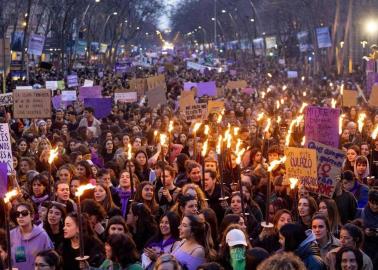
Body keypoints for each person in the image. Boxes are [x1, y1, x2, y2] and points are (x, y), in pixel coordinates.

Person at [10, 202, 54, 270]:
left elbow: (51, 259)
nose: (20, 216)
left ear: (32, 216)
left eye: (24, 213)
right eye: (17, 214)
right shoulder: (11, 235)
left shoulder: (42, 235)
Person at [360, 189, 378, 267]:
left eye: (377, 204)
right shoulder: (364, 211)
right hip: (367, 246)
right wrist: (364, 231)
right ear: (369, 201)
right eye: (372, 203)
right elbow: (360, 227)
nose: (375, 206)